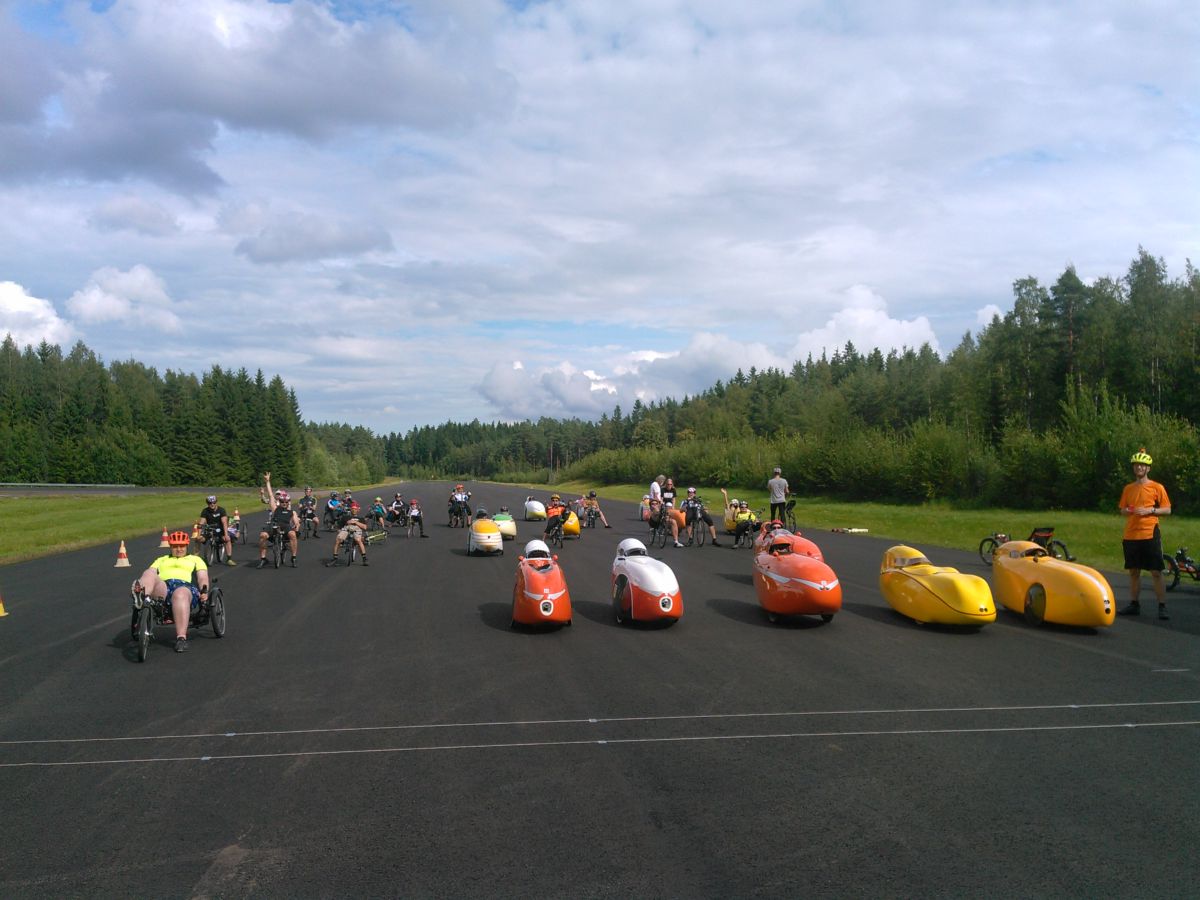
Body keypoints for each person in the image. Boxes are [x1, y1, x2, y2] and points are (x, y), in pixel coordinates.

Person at [131, 530, 210, 653]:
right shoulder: (161, 559)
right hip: (165, 587)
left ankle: (181, 638)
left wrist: (204, 590)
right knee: (149, 573)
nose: (178, 549)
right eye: (175, 546)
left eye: (181, 546)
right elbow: (151, 573)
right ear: (170, 547)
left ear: (186, 546)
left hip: (186, 587)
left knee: (180, 593)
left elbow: (202, 577)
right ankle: (142, 596)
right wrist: (149, 576)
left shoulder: (195, 559)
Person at [1117, 448, 1172, 620]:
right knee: (1134, 571)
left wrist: (1151, 510)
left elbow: (1167, 509)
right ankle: (1134, 604)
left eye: (1142, 465)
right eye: (1136, 465)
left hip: (1150, 533)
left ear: (1148, 468)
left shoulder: (1157, 487)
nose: (1139, 467)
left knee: (1156, 571)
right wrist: (1128, 510)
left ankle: (1162, 606)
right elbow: (1122, 510)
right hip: (1131, 535)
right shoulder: (1128, 488)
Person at [257, 472, 300, 568]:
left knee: (293, 535)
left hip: (286, 527)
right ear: (279, 502)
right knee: (262, 535)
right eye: (282, 501)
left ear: (289, 502)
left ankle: (293, 557)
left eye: (286, 502)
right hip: (274, 525)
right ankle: (263, 559)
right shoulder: (275, 508)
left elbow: (296, 522)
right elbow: (271, 495)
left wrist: (296, 526)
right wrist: (267, 481)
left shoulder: (292, 512)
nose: (284, 503)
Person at [198, 495, 237, 566]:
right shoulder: (205, 511)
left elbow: (224, 523)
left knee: (227, 539)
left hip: (220, 530)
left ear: (216, 502)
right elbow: (201, 522)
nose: (212, 504)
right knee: (198, 539)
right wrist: (199, 535)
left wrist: (226, 535)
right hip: (210, 529)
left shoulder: (221, 510)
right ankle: (196, 558)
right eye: (210, 503)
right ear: (207, 503)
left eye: (214, 502)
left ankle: (229, 559)